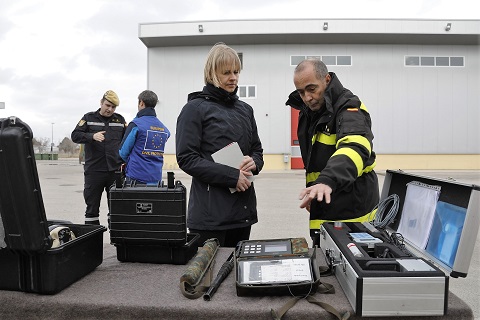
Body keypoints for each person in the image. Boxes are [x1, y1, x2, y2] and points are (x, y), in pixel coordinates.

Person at [176, 42, 264, 247]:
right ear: (211, 73)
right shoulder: (194, 109)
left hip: (243, 211)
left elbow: (256, 149)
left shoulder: (246, 110)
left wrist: (255, 162)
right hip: (210, 217)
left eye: (236, 71)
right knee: (207, 274)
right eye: (226, 73)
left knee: (237, 273)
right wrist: (232, 177)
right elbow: (187, 158)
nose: (233, 77)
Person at [285, 59, 379, 245]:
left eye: (312, 89)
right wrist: (316, 189)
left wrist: (327, 180)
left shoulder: (350, 107)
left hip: (353, 214)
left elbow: (354, 146)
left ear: (327, 79)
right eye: (301, 92)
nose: (307, 97)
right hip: (324, 203)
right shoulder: (308, 112)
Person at [71, 90, 127, 225]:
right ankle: (92, 242)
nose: (110, 109)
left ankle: (117, 241)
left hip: (115, 172)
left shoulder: (120, 120)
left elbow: (127, 141)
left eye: (113, 107)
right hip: (94, 171)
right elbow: (75, 135)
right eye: (107, 105)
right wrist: (91, 136)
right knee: (91, 210)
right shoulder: (89, 118)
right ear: (101, 102)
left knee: (116, 209)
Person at [119, 90, 170, 185]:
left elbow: (123, 152)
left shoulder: (136, 125)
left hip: (136, 177)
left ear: (141, 103)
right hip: (156, 178)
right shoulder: (163, 129)